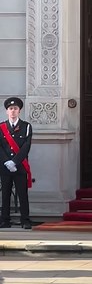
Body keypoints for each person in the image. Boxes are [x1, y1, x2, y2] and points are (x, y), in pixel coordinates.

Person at [0, 97, 33, 229]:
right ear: (7, 111)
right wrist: (7, 161)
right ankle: (5, 220)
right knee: (5, 193)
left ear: (19, 111)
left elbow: (26, 146)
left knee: (22, 194)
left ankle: (25, 220)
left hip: (20, 166)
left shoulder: (26, 127)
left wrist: (14, 162)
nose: (13, 111)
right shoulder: (1, 127)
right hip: (5, 166)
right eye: (10, 109)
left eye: (15, 109)